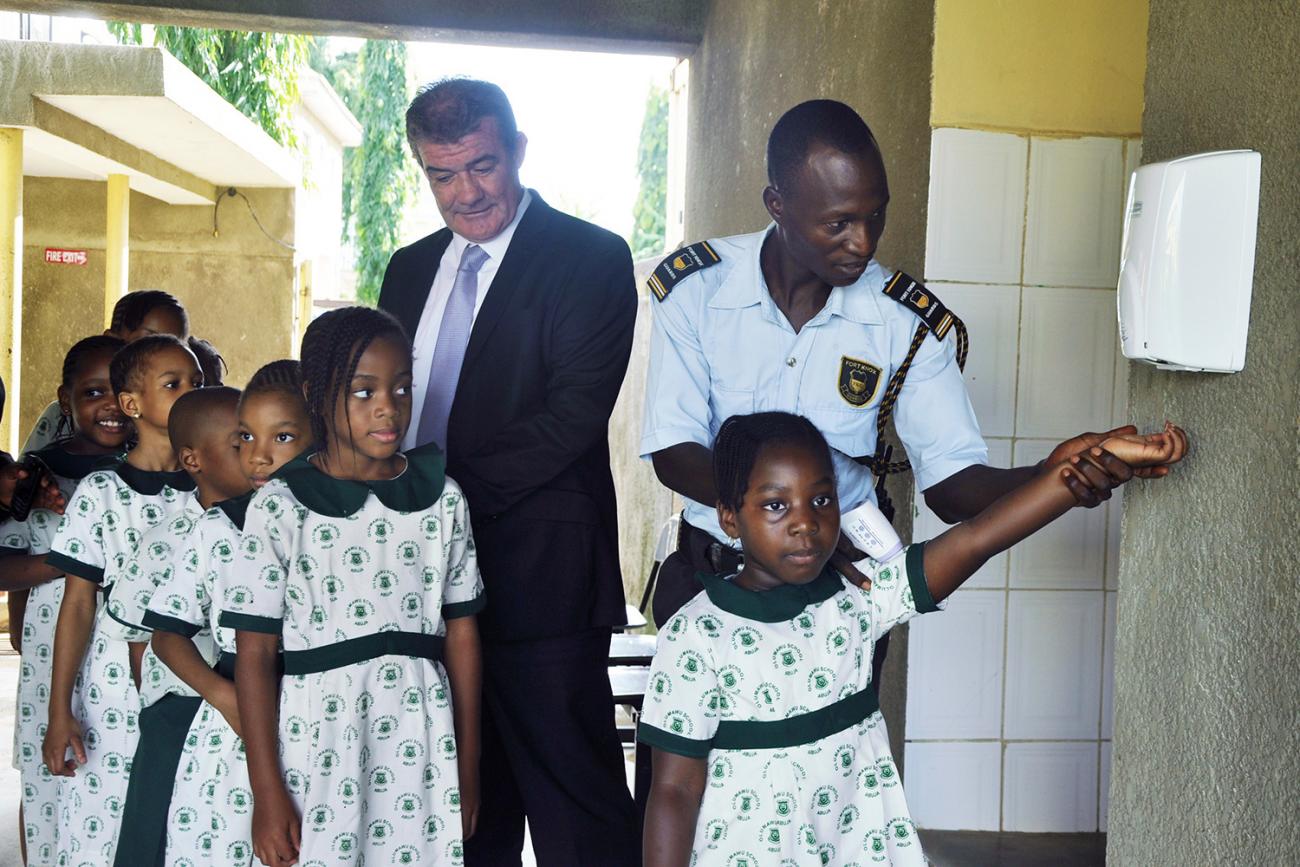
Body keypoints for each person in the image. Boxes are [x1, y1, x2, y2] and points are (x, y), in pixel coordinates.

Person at [639, 99, 1186, 652]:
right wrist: (794, 524)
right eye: (839, 223)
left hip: (838, 596)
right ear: (777, 205)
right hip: (709, 583)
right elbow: (675, 451)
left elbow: (953, 488)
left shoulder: (907, 322)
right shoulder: (697, 292)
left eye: (875, 214)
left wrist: (1056, 474)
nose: (864, 242)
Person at [640, 412, 1184, 866]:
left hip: (857, 850)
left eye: (821, 500)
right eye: (776, 505)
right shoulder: (696, 636)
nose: (805, 523)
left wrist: (1082, 471)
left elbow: (975, 540)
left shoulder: (855, 597)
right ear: (730, 519)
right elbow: (674, 790)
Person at [377, 78, 639, 865]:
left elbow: (570, 417)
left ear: (518, 151)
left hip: (543, 582)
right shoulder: (409, 267)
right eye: (441, 175)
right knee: (460, 805)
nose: (465, 193)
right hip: (421, 584)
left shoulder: (589, 257)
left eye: (482, 167)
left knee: (576, 808)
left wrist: (432, 497)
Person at [223, 307, 484, 867]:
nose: (388, 407)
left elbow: (462, 636)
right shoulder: (281, 505)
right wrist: (268, 793)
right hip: (318, 739)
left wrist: (469, 766)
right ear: (318, 394)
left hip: (421, 735)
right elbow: (255, 656)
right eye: (364, 392)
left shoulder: (442, 498)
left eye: (401, 388)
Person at [40, 334, 203, 864]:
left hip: (190, 676)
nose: (191, 393)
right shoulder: (102, 494)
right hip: (111, 690)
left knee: (178, 816)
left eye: (197, 384)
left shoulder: (211, 489)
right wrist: (59, 709)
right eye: (174, 384)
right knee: (104, 814)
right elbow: (79, 606)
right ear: (131, 405)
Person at [147, 360, 311, 866]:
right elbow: (166, 635)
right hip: (234, 728)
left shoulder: (337, 524)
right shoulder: (218, 528)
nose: (257, 457)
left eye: (281, 438)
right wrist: (224, 697)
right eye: (244, 437)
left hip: (318, 717)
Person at [0, 335, 132, 866]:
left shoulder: (153, 471)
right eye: (93, 391)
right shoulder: (35, 474)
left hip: (124, 663)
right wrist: (66, 563)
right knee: (51, 784)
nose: (109, 403)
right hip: (53, 661)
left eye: (120, 389)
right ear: (65, 397)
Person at [108, 386, 248, 867]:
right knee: (158, 836)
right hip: (179, 711)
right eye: (240, 443)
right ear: (193, 459)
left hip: (245, 714)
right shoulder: (163, 539)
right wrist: (157, 711)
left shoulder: (270, 529)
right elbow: (139, 643)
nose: (257, 455)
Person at [23, 290, 190, 455]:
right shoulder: (63, 413)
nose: (164, 358)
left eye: (175, 346)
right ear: (113, 339)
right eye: (147, 343)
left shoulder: (173, 415)